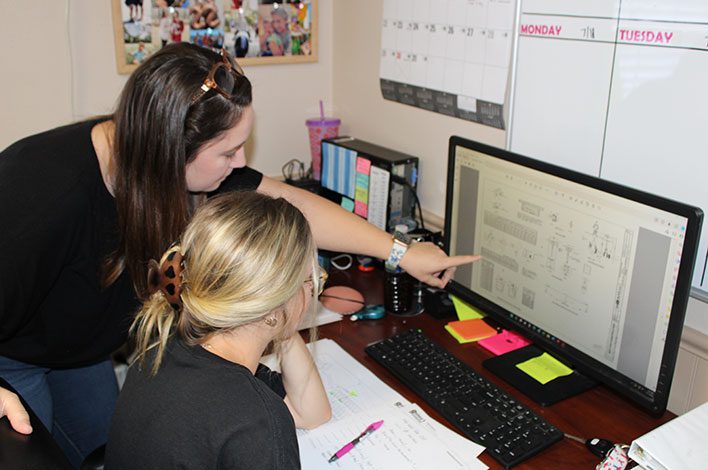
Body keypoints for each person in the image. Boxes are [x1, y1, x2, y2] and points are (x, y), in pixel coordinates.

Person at [0, 42, 479, 466]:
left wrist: (401, 252)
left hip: (81, 347)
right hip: (13, 351)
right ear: (169, 151)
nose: (242, 163)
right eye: (228, 152)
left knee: (102, 444)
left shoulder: (157, 158)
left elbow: (282, 203)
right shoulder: (45, 196)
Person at [105, 191, 331, 468]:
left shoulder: (165, 349)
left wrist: (280, 317)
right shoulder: (255, 420)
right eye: (311, 279)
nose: (314, 289)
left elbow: (313, 414)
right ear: (273, 301)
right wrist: (280, 313)